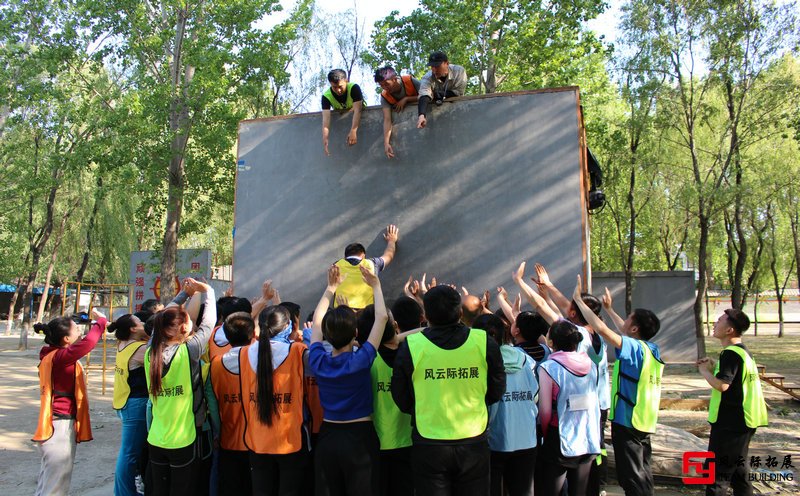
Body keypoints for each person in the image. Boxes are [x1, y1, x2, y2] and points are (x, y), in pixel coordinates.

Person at [392, 285, 505, 496]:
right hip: (473, 438)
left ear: (425, 315)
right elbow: (497, 389)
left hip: (429, 440)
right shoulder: (484, 342)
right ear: (460, 313)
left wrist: (421, 410)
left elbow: (400, 395)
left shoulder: (411, 346)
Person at [571, 276, 663, 496]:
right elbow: (623, 331)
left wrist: (579, 302)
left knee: (631, 475)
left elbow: (603, 330)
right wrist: (610, 310)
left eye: (629, 318)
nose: (625, 321)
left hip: (628, 419)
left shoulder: (633, 348)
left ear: (634, 329)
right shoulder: (651, 348)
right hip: (644, 418)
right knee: (643, 470)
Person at [308, 263, 388, 496]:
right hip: (360, 437)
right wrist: (376, 285)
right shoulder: (361, 360)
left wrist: (331, 287)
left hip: (328, 436)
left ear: (326, 334)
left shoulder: (318, 361)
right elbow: (381, 317)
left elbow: (316, 322)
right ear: (355, 334)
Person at [145, 278, 216, 495]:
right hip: (183, 440)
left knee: (159, 490)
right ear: (184, 327)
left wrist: (184, 295)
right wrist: (208, 291)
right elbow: (208, 324)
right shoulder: (188, 352)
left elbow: (161, 319)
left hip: (155, 438)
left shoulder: (150, 352)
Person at [32, 309, 107, 496]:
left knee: (48, 483)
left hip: (57, 424)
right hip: (59, 427)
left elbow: (84, 342)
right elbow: (89, 342)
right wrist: (102, 321)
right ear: (66, 339)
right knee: (55, 487)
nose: (80, 333)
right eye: (76, 330)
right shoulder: (60, 358)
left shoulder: (53, 354)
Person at [698, 309, 767, 496]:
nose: (715, 323)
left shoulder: (730, 353)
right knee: (738, 473)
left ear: (729, 330)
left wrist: (705, 371)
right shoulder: (744, 352)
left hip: (731, 425)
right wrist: (715, 367)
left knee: (717, 476)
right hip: (744, 422)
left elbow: (722, 386)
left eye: (719, 320)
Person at [240, 306, 309, 495]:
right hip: (289, 440)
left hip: (257, 440)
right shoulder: (298, 351)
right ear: (288, 326)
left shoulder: (245, 353)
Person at [473, 313, 538, 496]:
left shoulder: (478, 362)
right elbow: (534, 394)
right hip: (526, 437)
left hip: (494, 439)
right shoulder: (524, 359)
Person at [537, 319, 601, 496]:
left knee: (550, 490)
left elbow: (545, 411)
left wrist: (545, 434)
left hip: (559, 436)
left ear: (551, 343)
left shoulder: (549, 367)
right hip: (588, 436)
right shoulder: (591, 364)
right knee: (579, 491)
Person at [209, 312, 256, 496]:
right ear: (252, 335)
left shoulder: (215, 365)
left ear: (227, 336)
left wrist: (217, 432)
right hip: (256, 441)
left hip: (228, 439)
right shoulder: (259, 363)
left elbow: (213, 404)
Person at [109, 313, 150, 496]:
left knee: (130, 451)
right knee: (129, 453)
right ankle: (124, 493)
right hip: (136, 404)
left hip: (124, 402)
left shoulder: (123, 345)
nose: (143, 323)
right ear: (133, 329)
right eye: (139, 322)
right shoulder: (139, 349)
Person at [333, 224, 399, 310]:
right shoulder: (372, 264)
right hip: (365, 314)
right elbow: (388, 256)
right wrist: (392, 241)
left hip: (341, 314)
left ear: (345, 257)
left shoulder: (336, 265)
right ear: (363, 256)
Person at [373, 66, 420, 158]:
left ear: (394, 79)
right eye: (381, 85)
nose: (384, 88)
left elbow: (428, 95)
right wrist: (386, 143)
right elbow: (387, 120)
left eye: (386, 84)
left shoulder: (409, 80)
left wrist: (407, 99)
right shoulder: (384, 96)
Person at [416, 51, 467, 129]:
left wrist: (440, 94)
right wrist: (421, 115)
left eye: (437, 66)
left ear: (446, 63)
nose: (434, 70)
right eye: (432, 66)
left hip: (456, 110)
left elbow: (458, 93)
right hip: (438, 114)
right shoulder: (427, 77)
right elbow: (424, 95)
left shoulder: (459, 72)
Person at [321, 68, 364, 156]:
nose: (338, 90)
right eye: (334, 87)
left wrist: (353, 130)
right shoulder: (326, 96)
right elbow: (326, 120)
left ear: (346, 81)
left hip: (361, 121)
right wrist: (325, 138)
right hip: (344, 122)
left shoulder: (354, 88)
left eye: (340, 86)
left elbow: (358, 110)